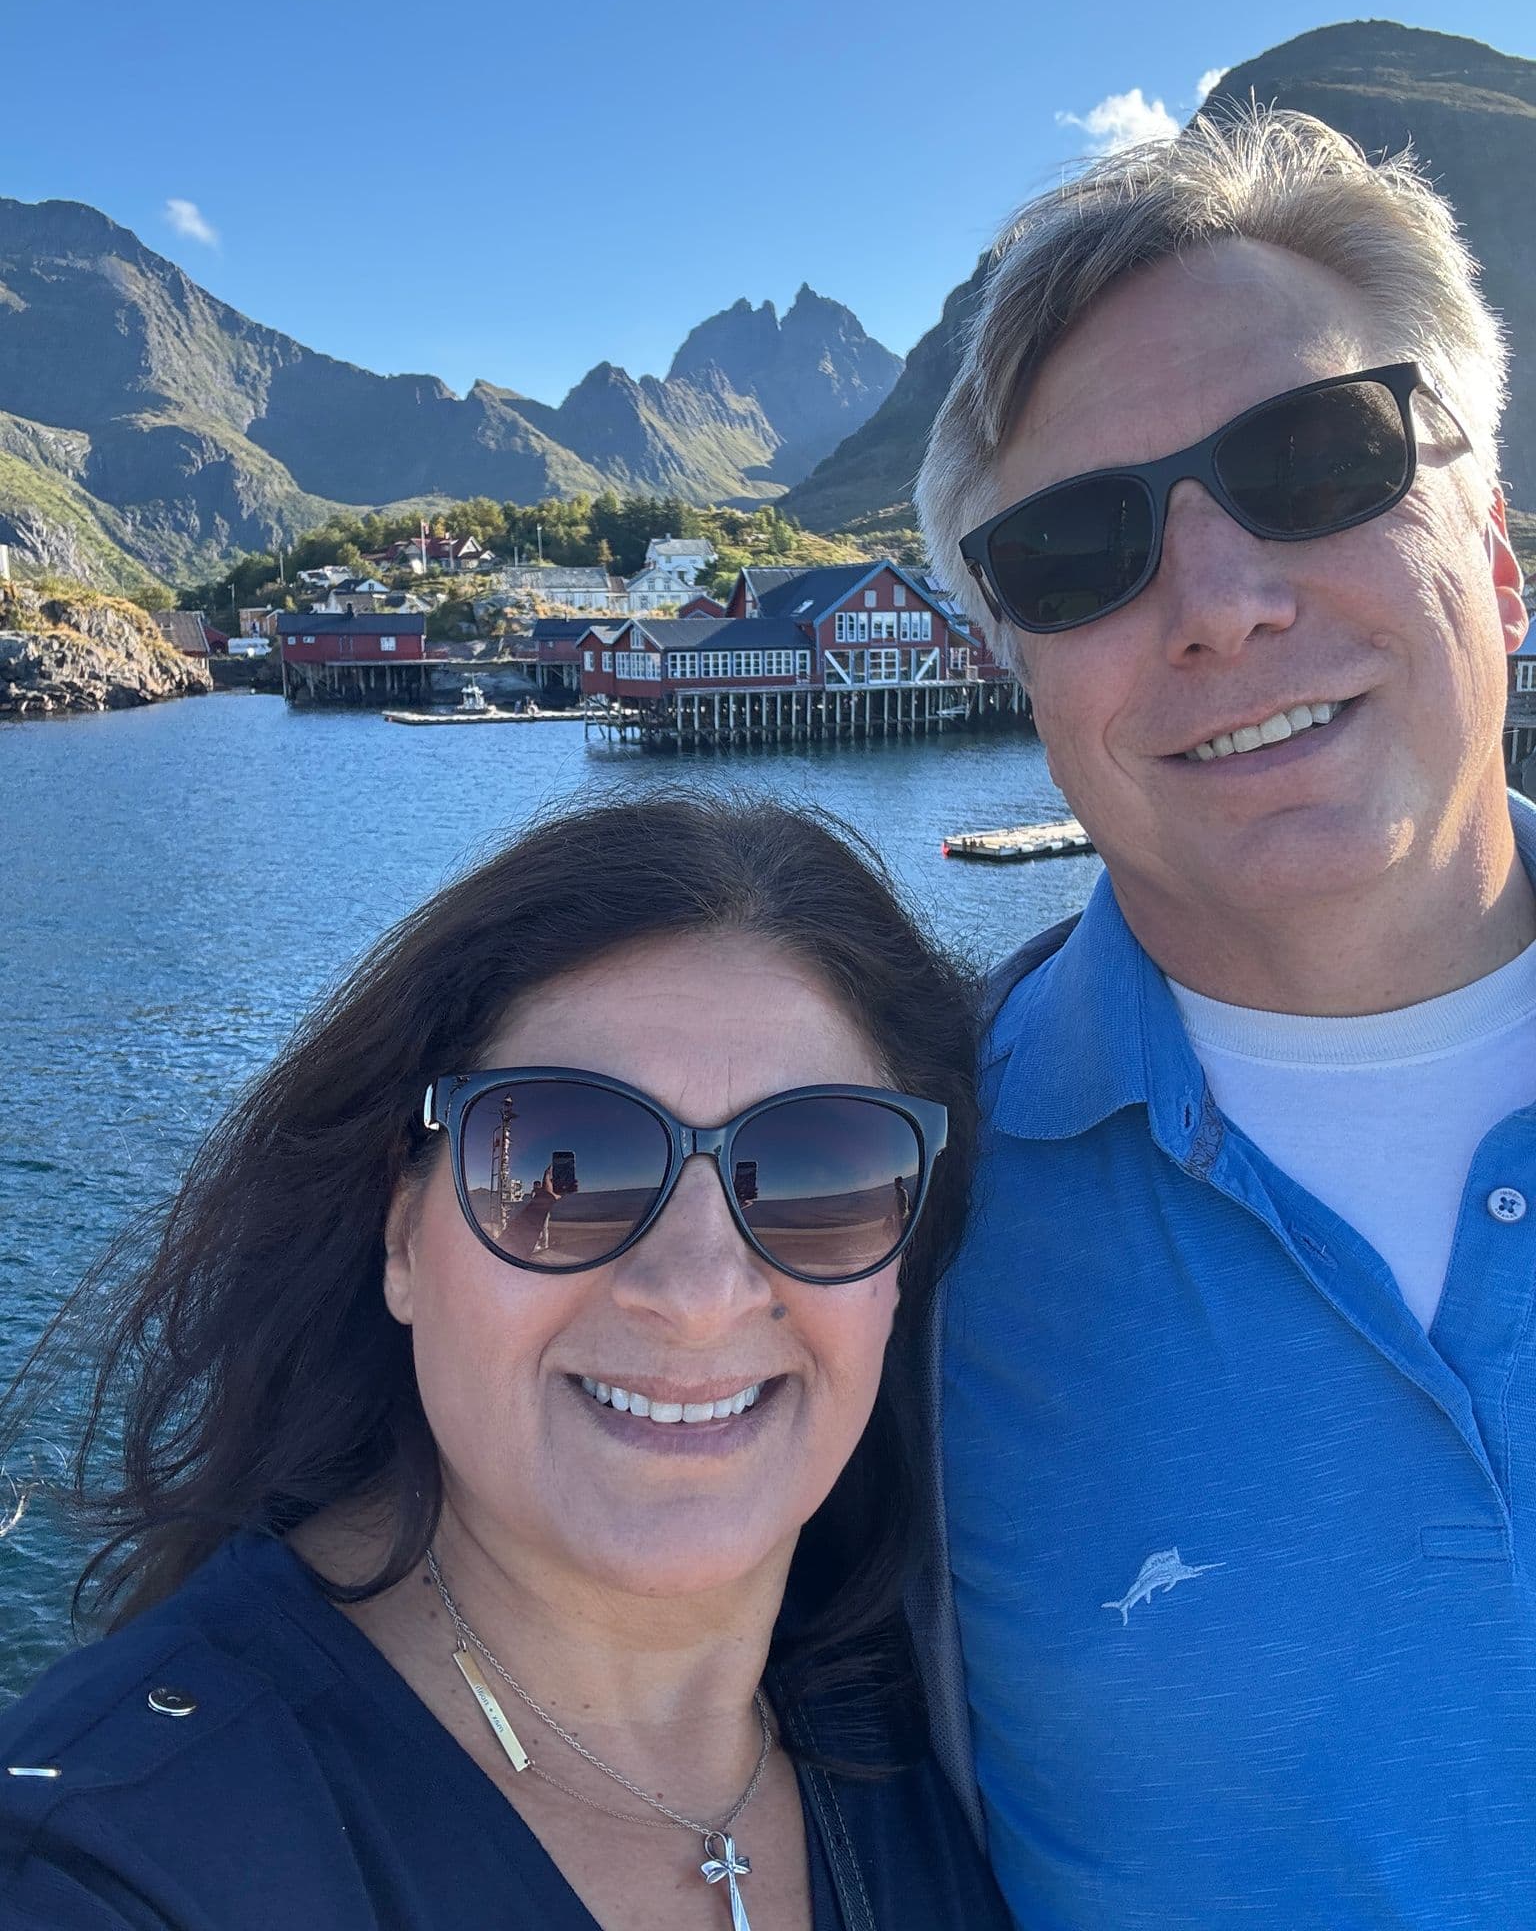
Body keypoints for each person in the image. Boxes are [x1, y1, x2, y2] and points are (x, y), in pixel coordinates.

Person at [0, 795, 1009, 1931]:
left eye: (820, 1173)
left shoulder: (950, 1732)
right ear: (401, 1232)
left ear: (904, 1260)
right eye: (563, 1165)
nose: (697, 1292)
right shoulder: (115, 1859)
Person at [913, 104, 1536, 1928]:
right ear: (1021, 678)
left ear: (1499, 553)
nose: (1222, 605)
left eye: (1316, 459)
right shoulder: (876, 1217)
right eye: (1078, 551)